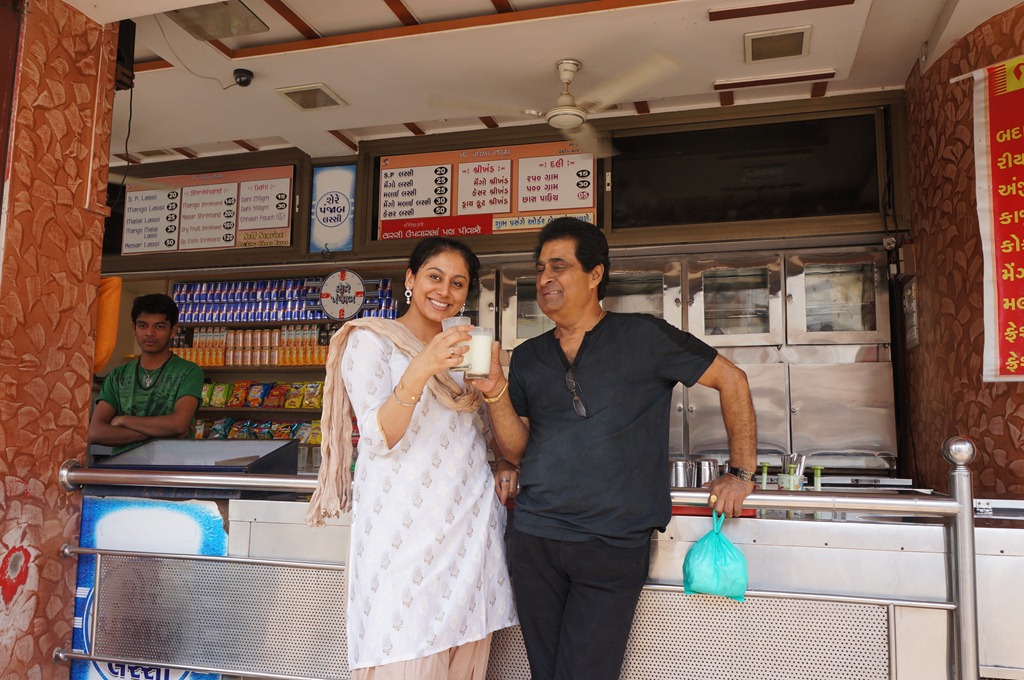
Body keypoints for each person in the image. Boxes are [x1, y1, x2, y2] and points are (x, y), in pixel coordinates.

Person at [472, 217, 757, 680]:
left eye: (559, 266)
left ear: (595, 274)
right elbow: (519, 449)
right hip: (535, 538)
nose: (545, 278)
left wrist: (741, 473)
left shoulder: (644, 336)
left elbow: (733, 380)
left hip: (611, 543)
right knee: (545, 672)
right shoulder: (527, 357)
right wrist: (495, 392)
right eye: (540, 268)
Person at [306, 237, 517, 680]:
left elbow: (479, 431)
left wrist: (503, 459)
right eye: (434, 277)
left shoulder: (467, 349)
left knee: (465, 654)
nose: (445, 291)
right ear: (410, 279)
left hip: (468, 522)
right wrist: (422, 366)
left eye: (458, 283)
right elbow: (379, 437)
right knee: (401, 645)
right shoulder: (371, 340)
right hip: (403, 531)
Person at [88, 293, 204, 452]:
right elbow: (95, 432)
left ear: (173, 330)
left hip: (172, 466)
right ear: (134, 329)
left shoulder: (189, 371)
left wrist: (123, 420)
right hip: (123, 466)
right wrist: (163, 432)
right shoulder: (118, 375)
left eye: (159, 326)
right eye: (142, 325)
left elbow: (178, 423)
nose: (150, 333)